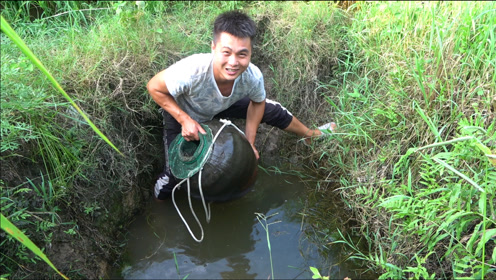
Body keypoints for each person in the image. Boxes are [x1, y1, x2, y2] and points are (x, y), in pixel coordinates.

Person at [147, 10, 336, 201]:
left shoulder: (252, 76)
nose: (233, 62)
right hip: (183, 112)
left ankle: (310, 135)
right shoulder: (191, 71)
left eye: (242, 54)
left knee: (273, 110)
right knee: (174, 175)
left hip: (221, 105)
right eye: (226, 53)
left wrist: (249, 143)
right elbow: (154, 87)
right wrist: (184, 119)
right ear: (213, 48)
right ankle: (160, 211)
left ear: (251, 53)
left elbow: (258, 102)